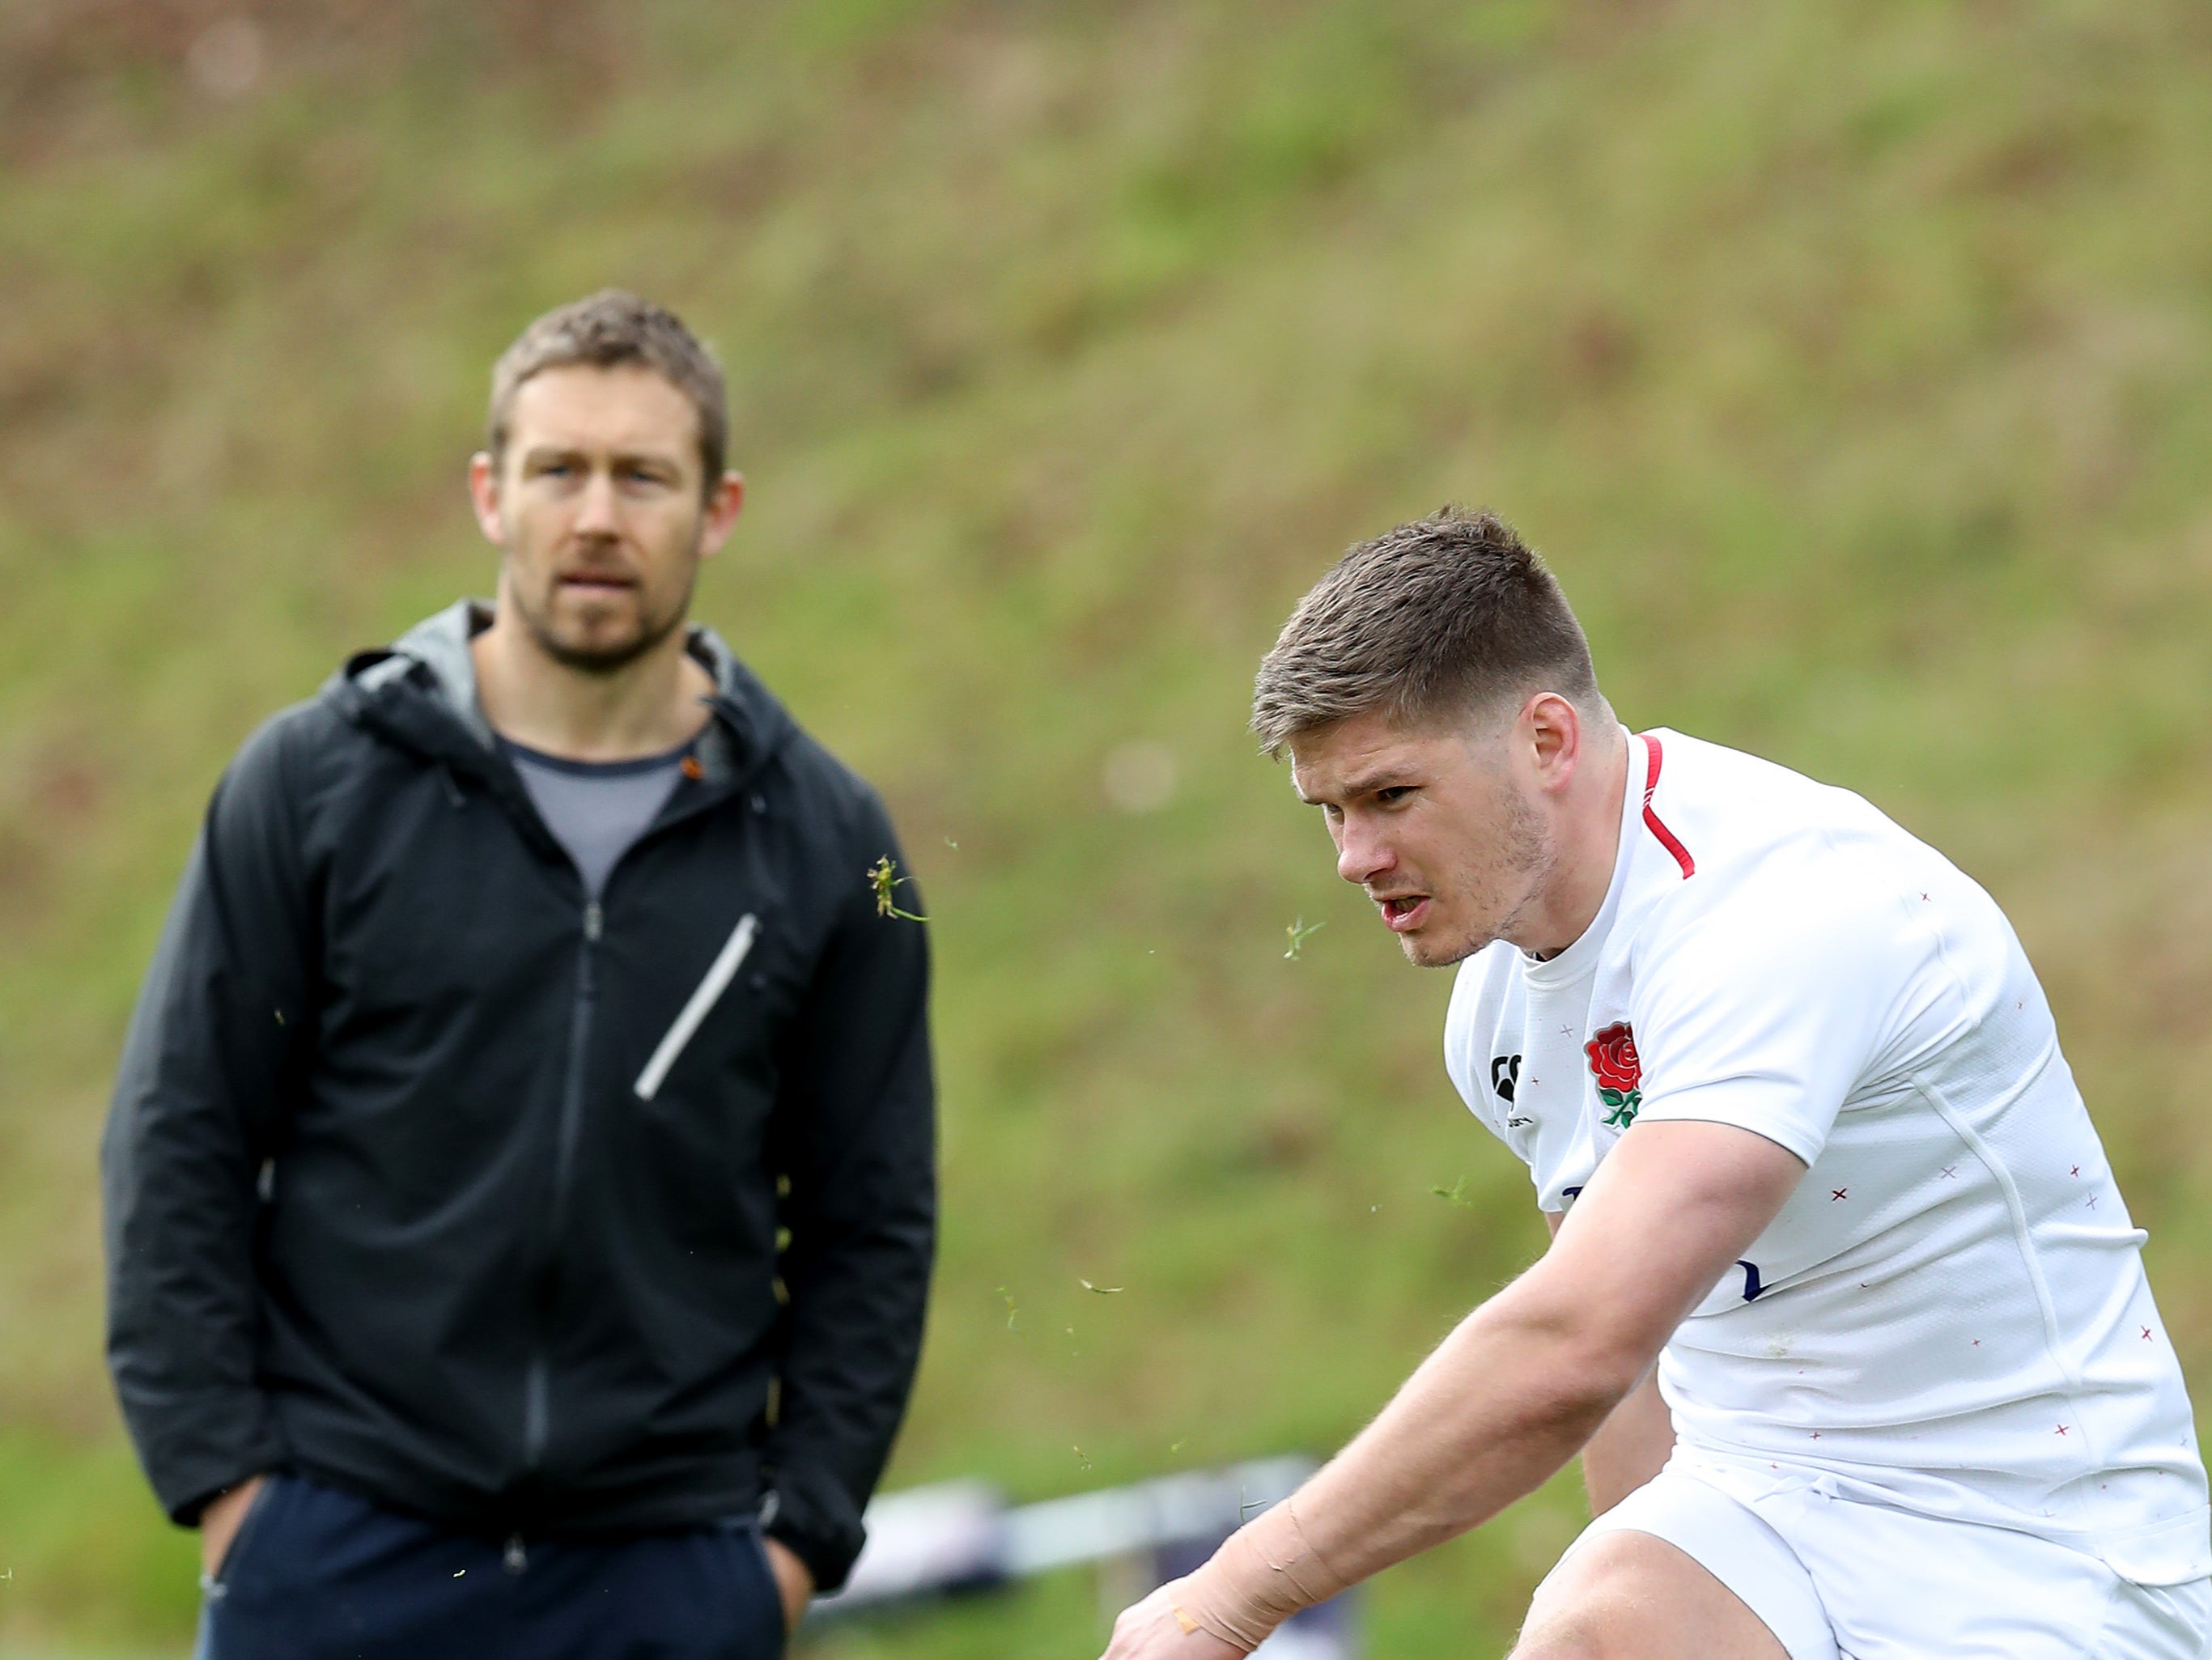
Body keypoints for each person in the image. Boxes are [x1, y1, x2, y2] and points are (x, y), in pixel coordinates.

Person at [1102, 509, 2210, 1659]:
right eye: (1328, 812)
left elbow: (1574, 1342)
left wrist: (1227, 1596)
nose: (1351, 857)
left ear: (1544, 741)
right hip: (1764, 1512)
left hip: (2039, 1560)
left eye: (1389, 797)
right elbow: (1629, 1378)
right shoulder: (1494, 1002)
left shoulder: (1779, 913)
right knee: (1594, 1624)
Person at [102, 291, 936, 1660]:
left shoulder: (834, 847)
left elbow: (874, 1218)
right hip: (335, 1555)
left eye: (641, 477)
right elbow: (176, 1139)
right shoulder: (312, 787)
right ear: (492, 495)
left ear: (716, 510)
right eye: (559, 470)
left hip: (672, 1577)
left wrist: (792, 1546)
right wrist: (230, 1493)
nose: (596, 516)